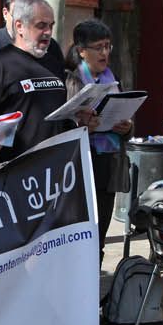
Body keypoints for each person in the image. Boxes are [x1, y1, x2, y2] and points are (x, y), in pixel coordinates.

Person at [0, 0, 81, 158]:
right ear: (19, 26)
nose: (48, 32)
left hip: (53, 166)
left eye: (51, 26)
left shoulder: (54, 63)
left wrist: (79, 121)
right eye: (41, 26)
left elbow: (59, 117)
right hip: (15, 168)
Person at [65, 19, 133, 253]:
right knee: (81, 236)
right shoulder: (71, 80)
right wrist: (83, 126)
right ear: (81, 51)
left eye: (108, 46)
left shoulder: (113, 79)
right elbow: (63, 126)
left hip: (108, 164)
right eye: (99, 47)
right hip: (81, 165)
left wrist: (127, 128)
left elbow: (123, 112)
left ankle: (95, 285)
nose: (105, 53)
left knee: (100, 236)